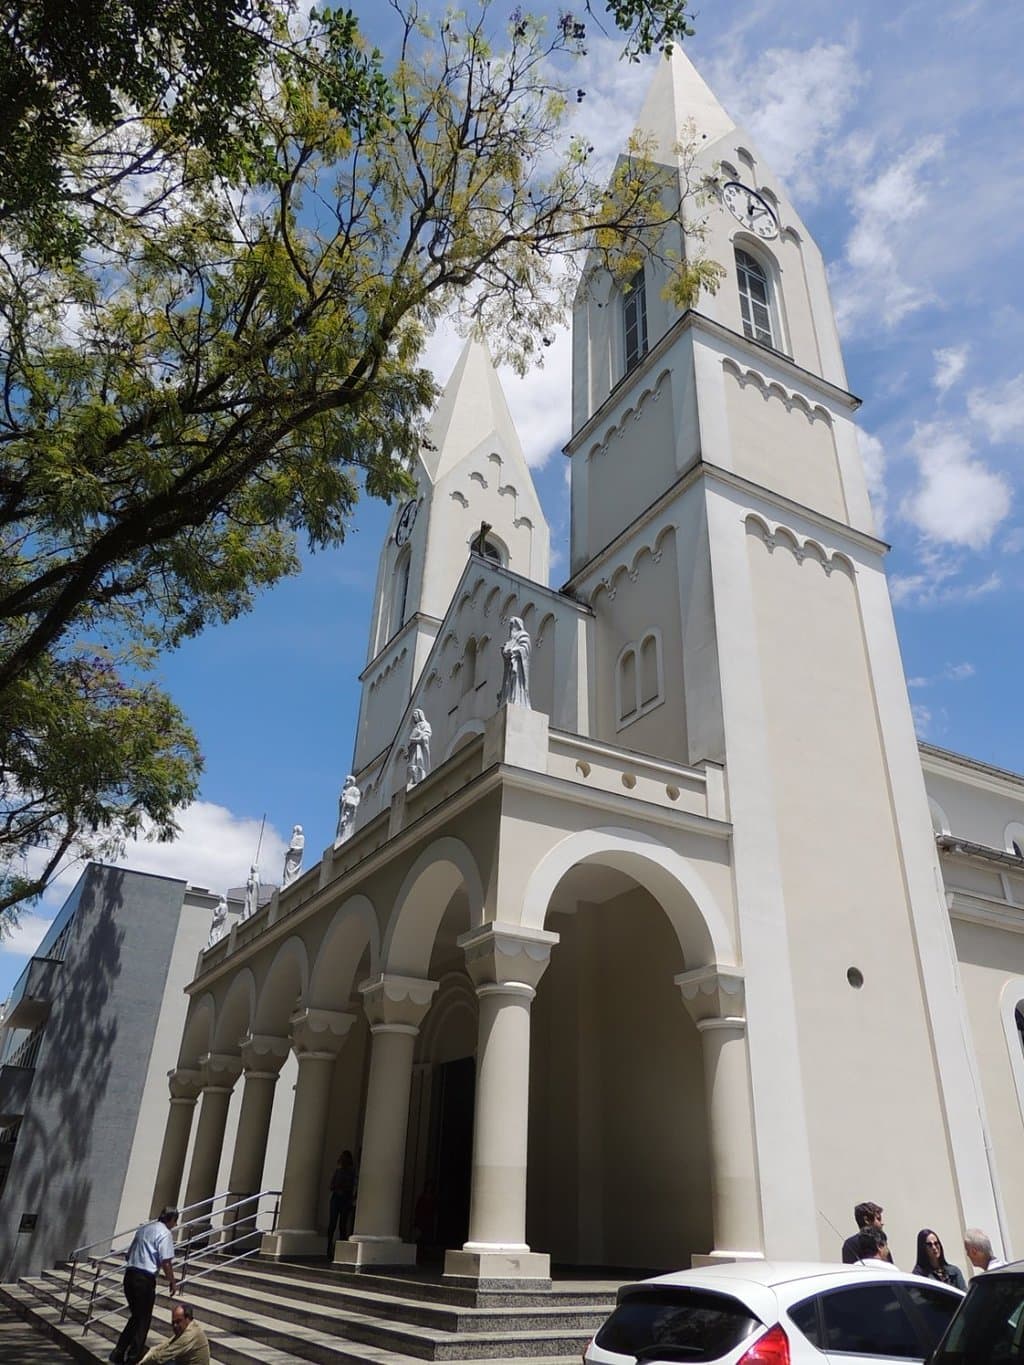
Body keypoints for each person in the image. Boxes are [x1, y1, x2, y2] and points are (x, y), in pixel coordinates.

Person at [110, 1208, 179, 1365]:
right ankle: (133, 1357)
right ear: (170, 1220)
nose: (175, 1225)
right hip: (144, 1279)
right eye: (175, 1221)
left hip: (130, 1275)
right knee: (143, 1319)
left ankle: (119, 1351)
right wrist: (172, 1281)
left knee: (136, 1316)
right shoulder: (165, 1233)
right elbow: (166, 1262)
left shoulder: (144, 1229)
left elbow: (128, 1254)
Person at [138, 1302, 210, 1365]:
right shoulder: (189, 1327)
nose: (175, 1325)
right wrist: (151, 1351)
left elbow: (161, 1357)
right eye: (173, 1322)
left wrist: (142, 1363)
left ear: (187, 1319)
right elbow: (167, 1344)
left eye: (178, 1321)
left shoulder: (189, 1335)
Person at [498, 617, 532, 708]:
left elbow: (525, 649)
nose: (510, 627)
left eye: (511, 624)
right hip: (510, 668)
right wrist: (504, 652)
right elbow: (506, 655)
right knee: (508, 683)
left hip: (518, 666)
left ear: (517, 625)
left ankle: (518, 700)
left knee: (517, 683)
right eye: (509, 624)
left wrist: (513, 651)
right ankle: (508, 699)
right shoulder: (510, 640)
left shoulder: (523, 635)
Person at [326, 1150, 356, 1256]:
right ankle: (328, 1246)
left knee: (342, 1225)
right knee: (332, 1224)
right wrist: (337, 1189)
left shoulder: (351, 1173)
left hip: (345, 1200)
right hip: (336, 1199)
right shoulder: (338, 1171)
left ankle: (340, 1249)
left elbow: (352, 1187)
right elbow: (331, 1185)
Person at [405, 709, 432, 789]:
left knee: (418, 764)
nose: (414, 718)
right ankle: (413, 780)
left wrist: (419, 738)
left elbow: (426, 735)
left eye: (415, 715)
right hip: (413, 749)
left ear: (420, 715)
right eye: (413, 717)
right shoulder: (415, 727)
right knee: (411, 766)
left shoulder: (425, 724)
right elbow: (410, 741)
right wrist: (408, 752)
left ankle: (418, 779)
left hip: (419, 749)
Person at [335, 776, 361, 844]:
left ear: (351, 782)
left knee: (347, 826)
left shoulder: (355, 790)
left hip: (349, 812)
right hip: (343, 812)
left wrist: (347, 800)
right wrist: (342, 800)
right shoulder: (345, 791)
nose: (346, 782)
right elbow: (341, 803)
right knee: (341, 826)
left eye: (348, 781)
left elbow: (356, 801)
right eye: (346, 781)